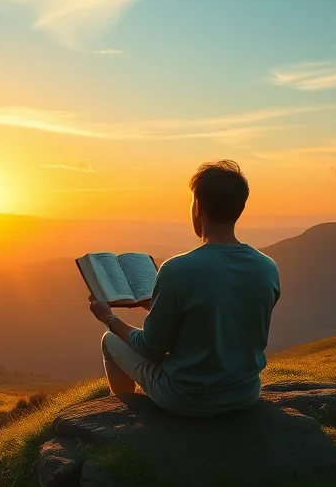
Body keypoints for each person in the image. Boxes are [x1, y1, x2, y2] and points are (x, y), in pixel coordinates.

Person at [88, 160, 280, 416]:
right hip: (244, 393)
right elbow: (217, 325)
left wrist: (109, 318)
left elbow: (150, 348)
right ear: (240, 207)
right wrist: (156, 307)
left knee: (109, 341)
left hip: (187, 398)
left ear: (198, 206)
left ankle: (127, 417)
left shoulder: (177, 270)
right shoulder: (267, 267)